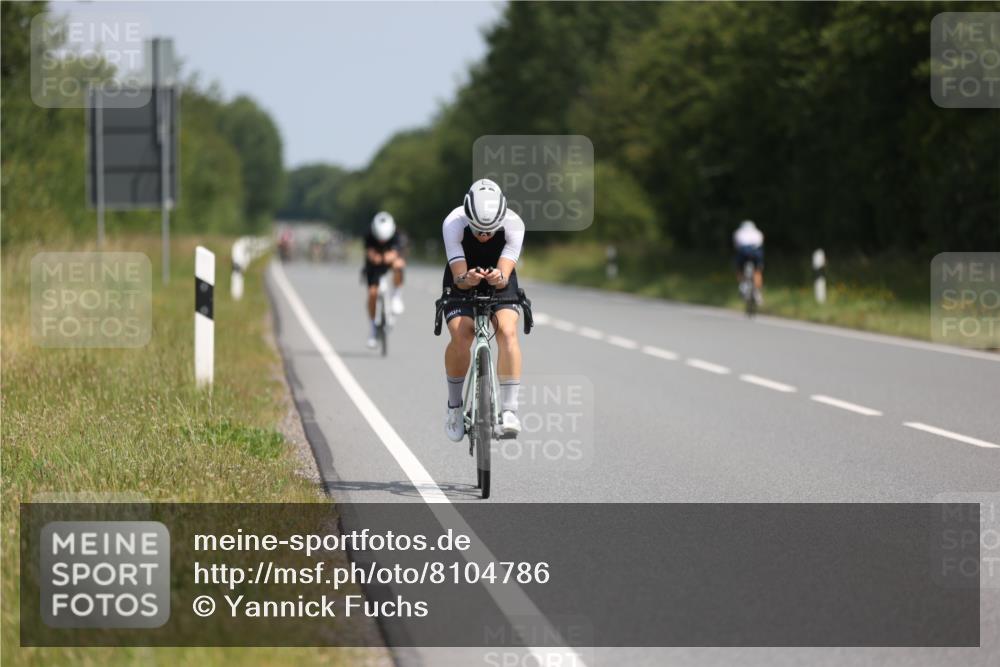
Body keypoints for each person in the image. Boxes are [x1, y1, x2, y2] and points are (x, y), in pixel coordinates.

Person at [441, 179, 525, 442]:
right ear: (468, 218)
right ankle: (454, 408)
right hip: (462, 277)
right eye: (478, 230)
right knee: (462, 334)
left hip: (499, 277)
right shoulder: (453, 223)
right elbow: (459, 278)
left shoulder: (514, 223)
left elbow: (504, 272)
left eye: (490, 232)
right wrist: (468, 279)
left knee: (507, 331)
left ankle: (509, 411)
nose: (484, 237)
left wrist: (498, 278)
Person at [364, 212, 406, 348]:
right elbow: (371, 255)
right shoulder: (369, 235)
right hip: (374, 266)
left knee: (399, 265)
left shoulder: (397, 235)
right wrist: (379, 258)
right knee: (372, 293)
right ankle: (373, 329)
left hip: (388, 261)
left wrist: (389, 258)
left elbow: (396, 254)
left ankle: (397, 296)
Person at [733, 219, 764, 304]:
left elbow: (736, 245)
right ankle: (757, 293)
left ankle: (742, 285)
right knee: (757, 271)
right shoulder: (758, 232)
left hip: (743, 254)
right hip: (756, 254)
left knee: (738, 268)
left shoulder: (738, 232)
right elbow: (760, 244)